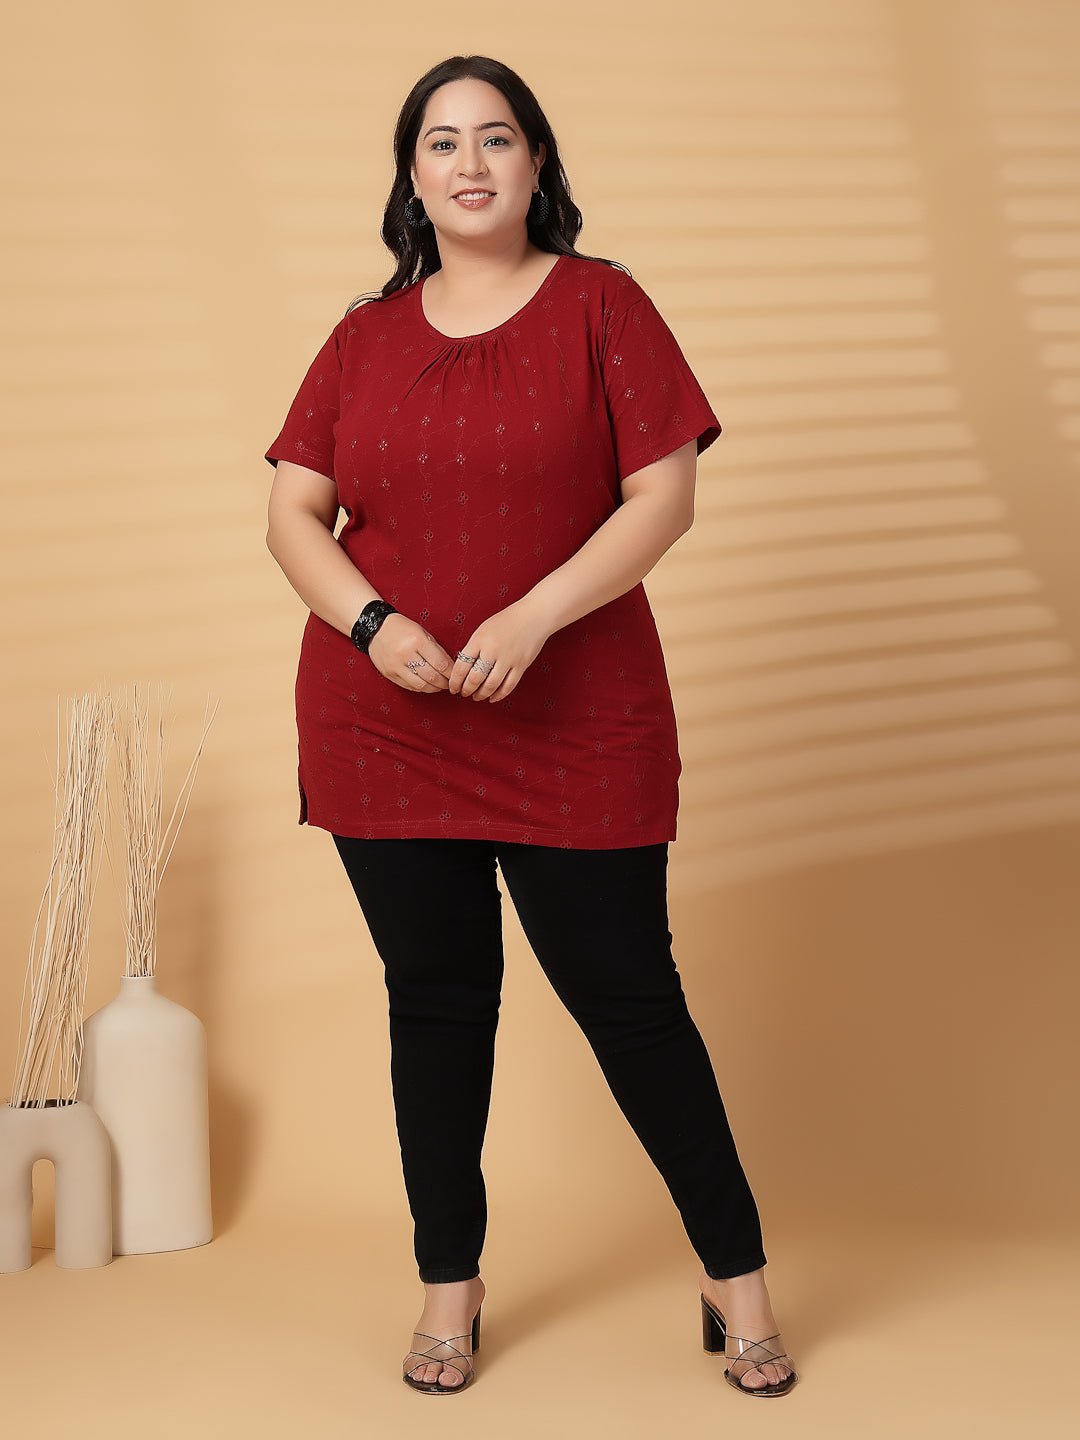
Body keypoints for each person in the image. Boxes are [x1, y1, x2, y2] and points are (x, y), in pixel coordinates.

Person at [264, 55, 799, 1399]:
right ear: (412, 178)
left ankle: (734, 1277)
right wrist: (374, 625)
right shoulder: (361, 338)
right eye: (441, 143)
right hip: (385, 725)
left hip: (579, 714)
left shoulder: (605, 305)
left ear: (537, 163)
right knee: (437, 1006)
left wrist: (534, 618)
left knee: (632, 999)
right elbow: (292, 513)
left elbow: (663, 497)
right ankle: (449, 1284)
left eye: (496, 138)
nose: (470, 163)